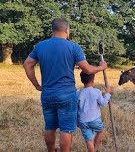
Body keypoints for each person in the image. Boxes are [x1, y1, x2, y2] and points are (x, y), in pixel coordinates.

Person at [23, 18, 108, 152]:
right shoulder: (73, 47)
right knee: (66, 129)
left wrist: (37, 85)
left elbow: (27, 64)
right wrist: (101, 67)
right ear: (67, 30)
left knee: (49, 126)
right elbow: (87, 70)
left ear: (52, 30)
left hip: (47, 93)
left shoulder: (40, 46)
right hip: (67, 95)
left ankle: (51, 150)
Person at [77, 71, 111, 152]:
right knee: (100, 131)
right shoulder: (96, 91)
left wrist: (76, 121)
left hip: (82, 121)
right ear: (93, 81)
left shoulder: (78, 93)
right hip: (94, 120)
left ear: (82, 80)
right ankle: (95, 149)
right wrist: (107, 94)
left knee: (89, 140)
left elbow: (76, 108)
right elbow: (103, 103)